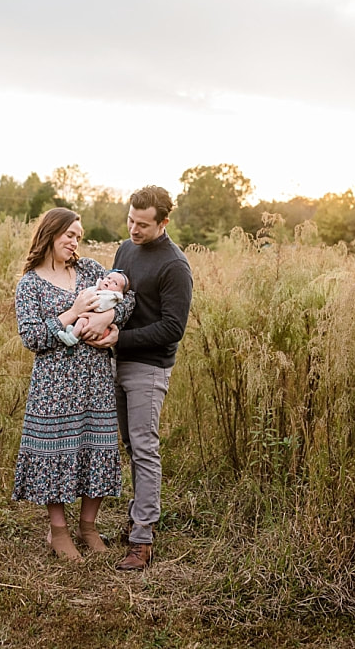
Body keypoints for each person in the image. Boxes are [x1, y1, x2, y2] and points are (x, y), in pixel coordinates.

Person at [12, 208, 135, 561]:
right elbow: (32, 337)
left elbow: (128, 301)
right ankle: (59, 531)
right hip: (54, 387)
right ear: (51, 233)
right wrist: (72, 311)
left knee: (95, 450)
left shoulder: (92, 270)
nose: (74, 241)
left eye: (79, 236)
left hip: (95, 379)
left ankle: (88, 526)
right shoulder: (30, 284)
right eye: (69, 235)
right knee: (56, 456)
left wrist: (108, 320)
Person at [99, 185, 193, 571]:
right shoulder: (125, 248)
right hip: (116, 360)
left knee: (144, 448)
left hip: (149, 366)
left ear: (164, 222)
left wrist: (123, 338)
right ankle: (138, 517)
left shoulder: (174, 266)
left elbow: (173, 327)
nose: (134, 230)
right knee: (129, 445)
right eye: (130, 221)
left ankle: (142, 537)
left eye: (143, 224)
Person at [55, 270, 130, 346]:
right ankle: (74, 331)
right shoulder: (98, 289)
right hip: (91, 321)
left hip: (102, 329)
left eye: (115, 283)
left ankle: (71, 338)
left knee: (82, 321)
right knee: (81, 320)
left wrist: (109, 315)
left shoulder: (110, 296)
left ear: (119, 292)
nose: (110, 281)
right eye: (108, 278)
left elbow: (99, 307)